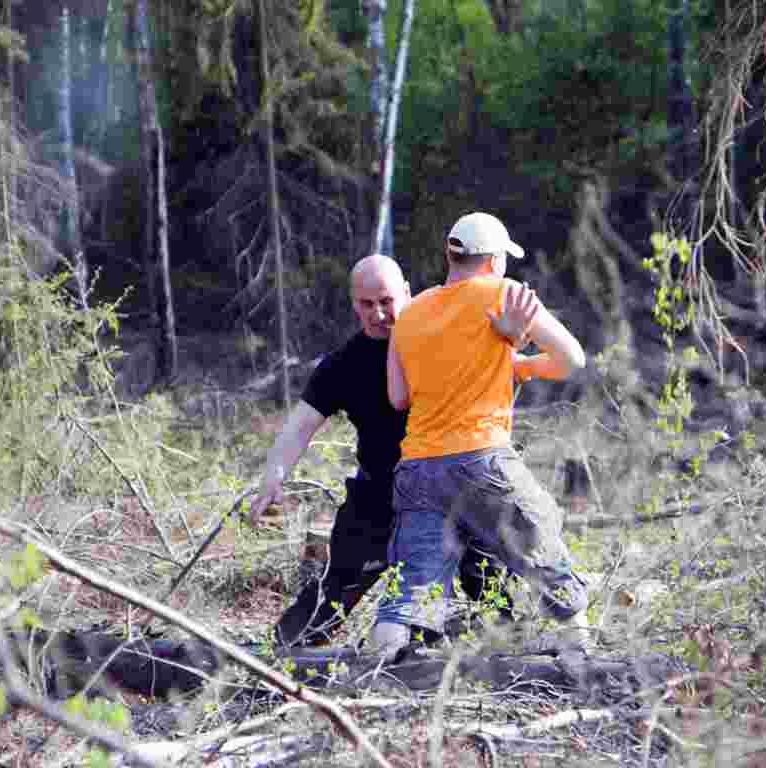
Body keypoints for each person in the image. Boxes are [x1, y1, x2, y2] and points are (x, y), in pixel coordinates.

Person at [248, 253, 507, 648]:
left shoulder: (443, 340)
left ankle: (503, 662)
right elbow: (300, 426)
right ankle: (275, 664)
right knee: (327, 598)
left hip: (451, 488)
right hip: (378, 496)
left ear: (407, 293)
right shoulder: (342, 365)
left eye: (386, 301)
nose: (379, 313)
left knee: (495, 597)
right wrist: (274, 475)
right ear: (354, 304)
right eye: (367, 304)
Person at [370, 212, 592, 658]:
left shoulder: (410, 312)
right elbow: (572, 358)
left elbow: (398, 396)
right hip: (480, 455)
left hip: (417, 468)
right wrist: (520, 360)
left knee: (414, 576)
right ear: (493, 260)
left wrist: (492, 359)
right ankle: (578, 642)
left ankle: (385, 655)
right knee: (537, 534)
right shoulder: (502, 294)